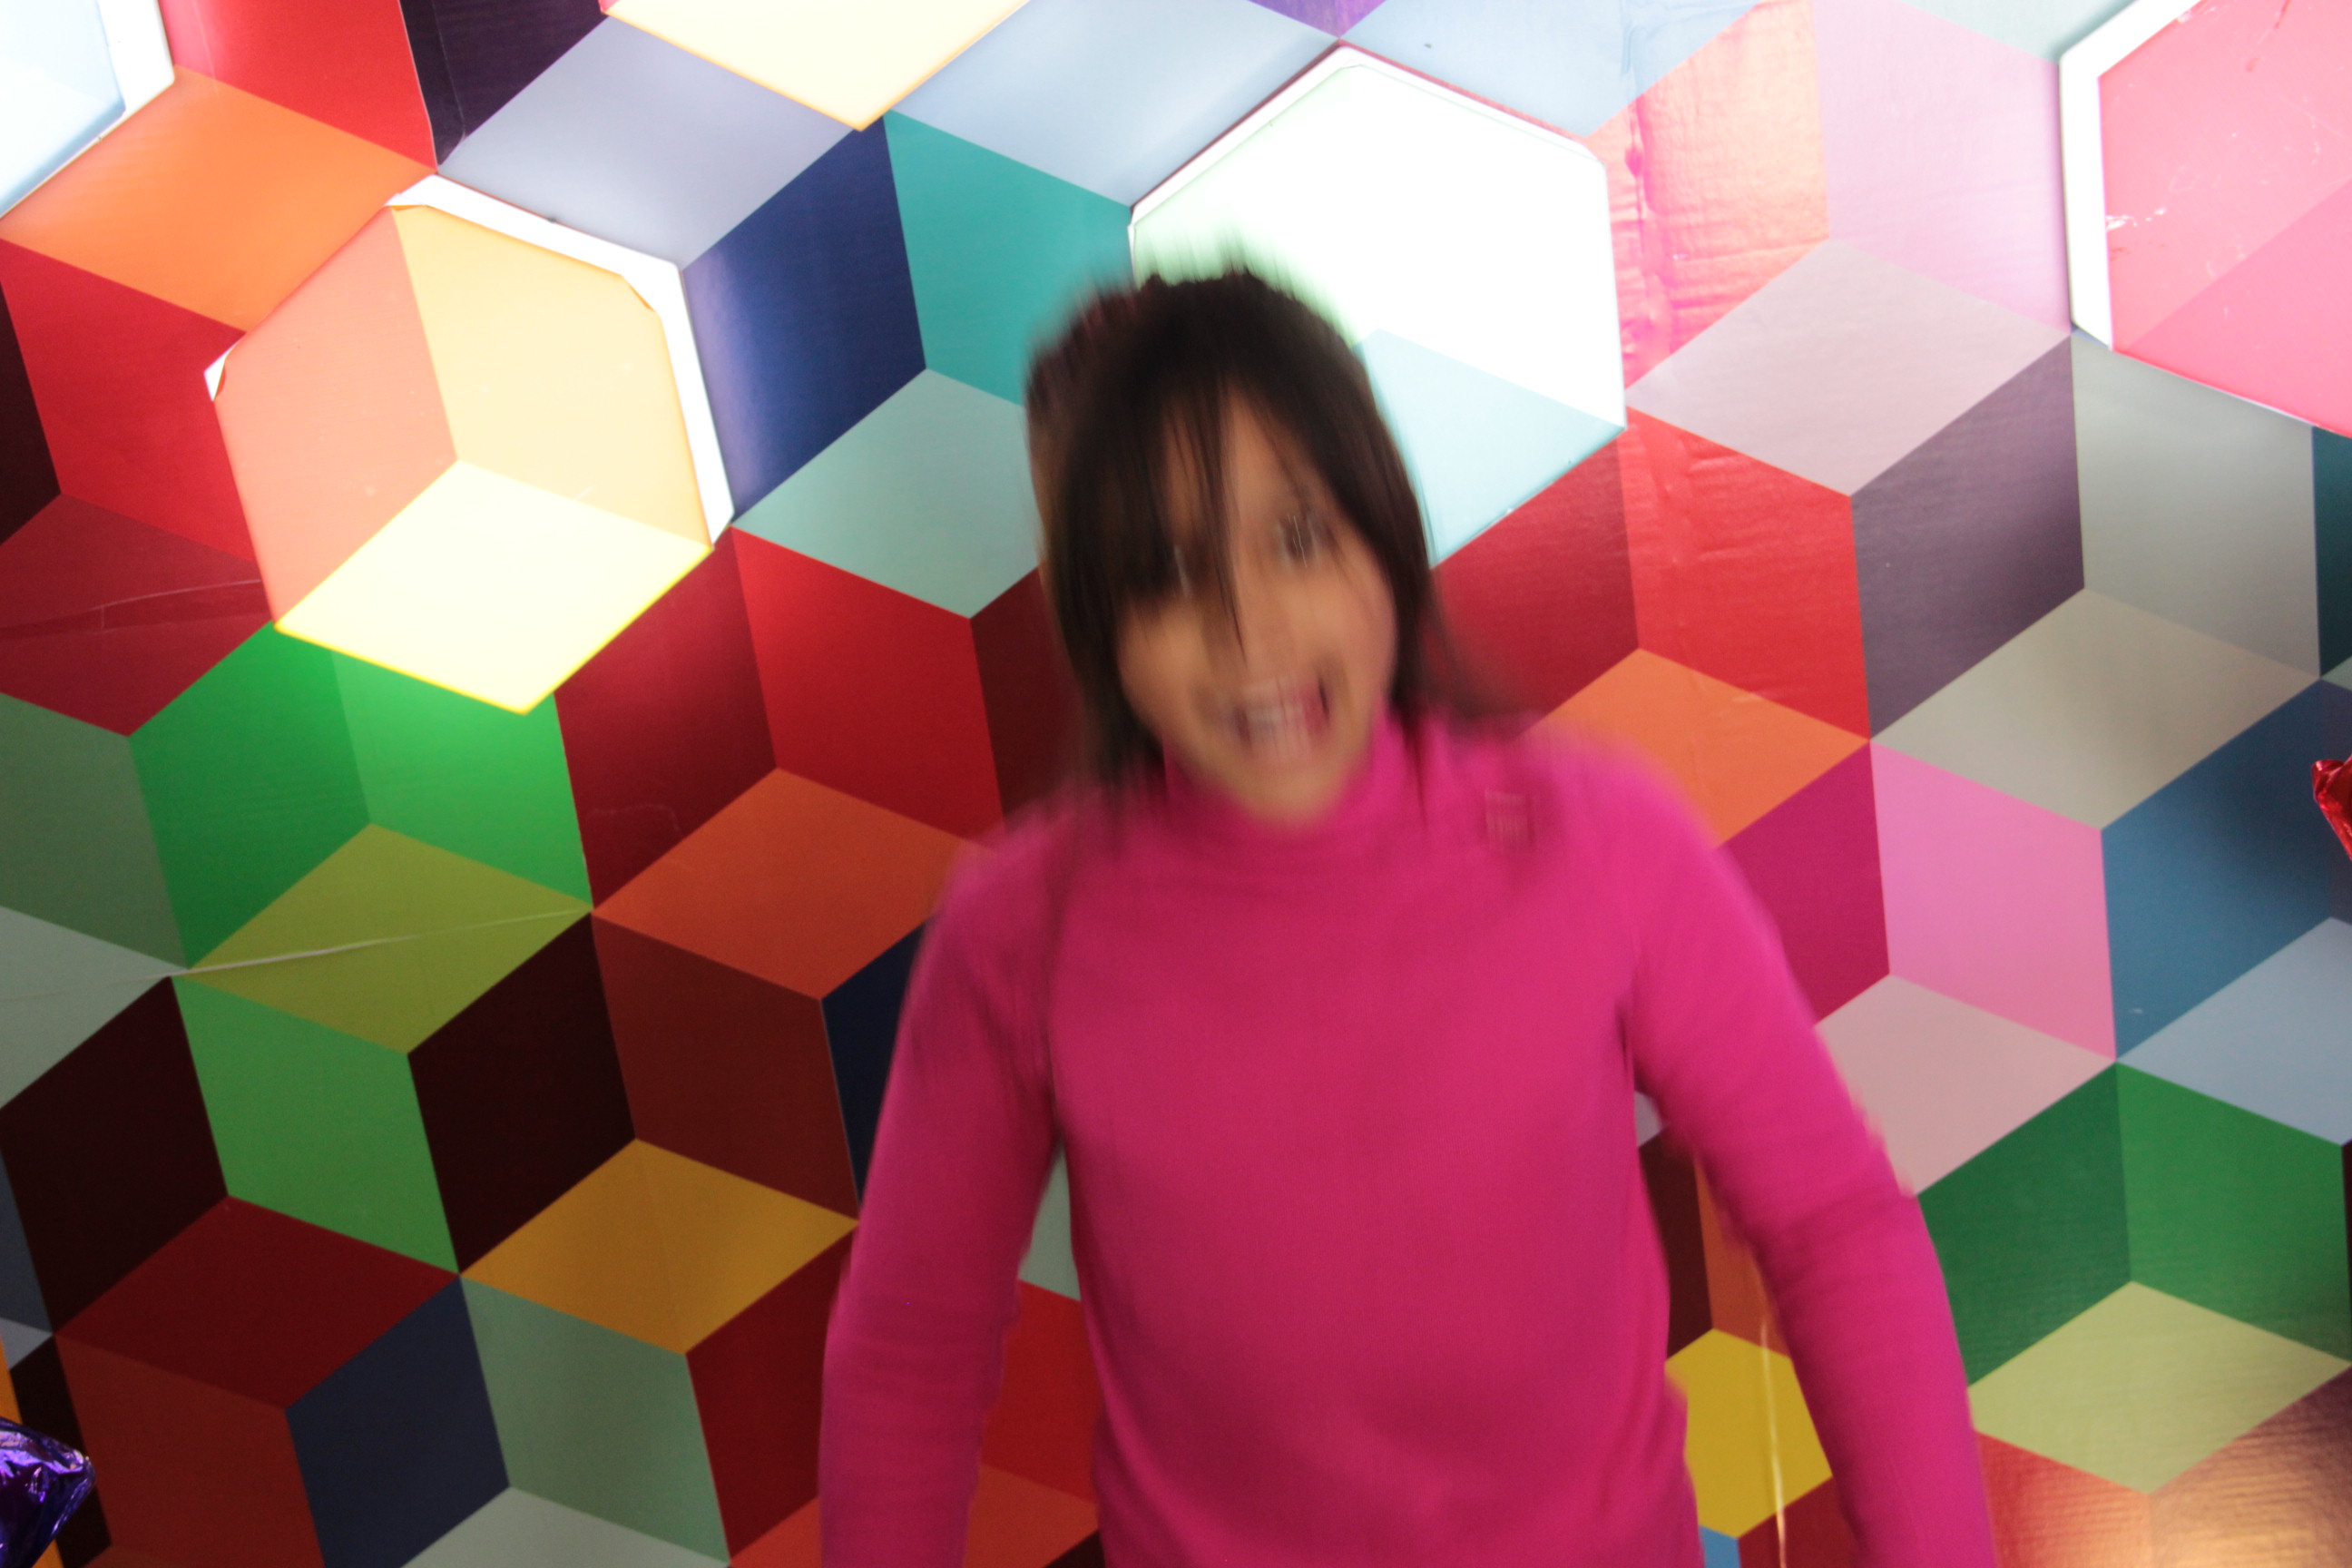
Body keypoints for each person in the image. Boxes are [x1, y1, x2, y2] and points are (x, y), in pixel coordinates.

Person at [818, 270, 1995, 1566]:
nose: (1248, 632)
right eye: (1168, 573)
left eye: (1297, 539)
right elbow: (910, 1355)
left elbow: (1834, 1225)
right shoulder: (1017, 933)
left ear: (1382, 531)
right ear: (1099, 627)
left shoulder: (1597, 840)